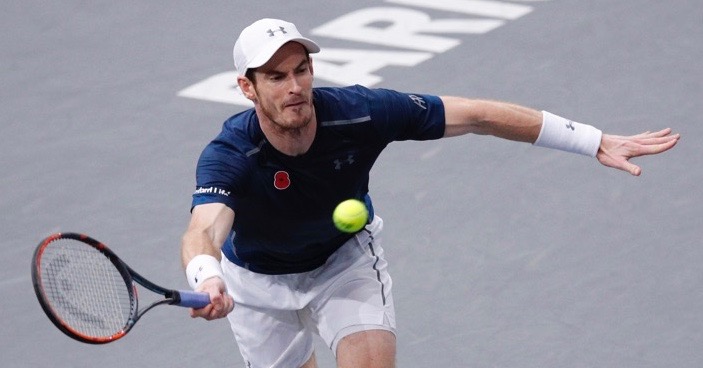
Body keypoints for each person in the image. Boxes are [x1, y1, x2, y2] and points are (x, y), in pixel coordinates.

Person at [179, 18, 679, 368]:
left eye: (302, 70)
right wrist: (207, 275)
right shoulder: (229, 154)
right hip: (256, 286)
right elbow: (205, 228)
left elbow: (478, 114)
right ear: (248, 88)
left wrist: (592, 140)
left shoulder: (361, 112)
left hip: (341, 265)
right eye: (276, 77)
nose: (295, 87)